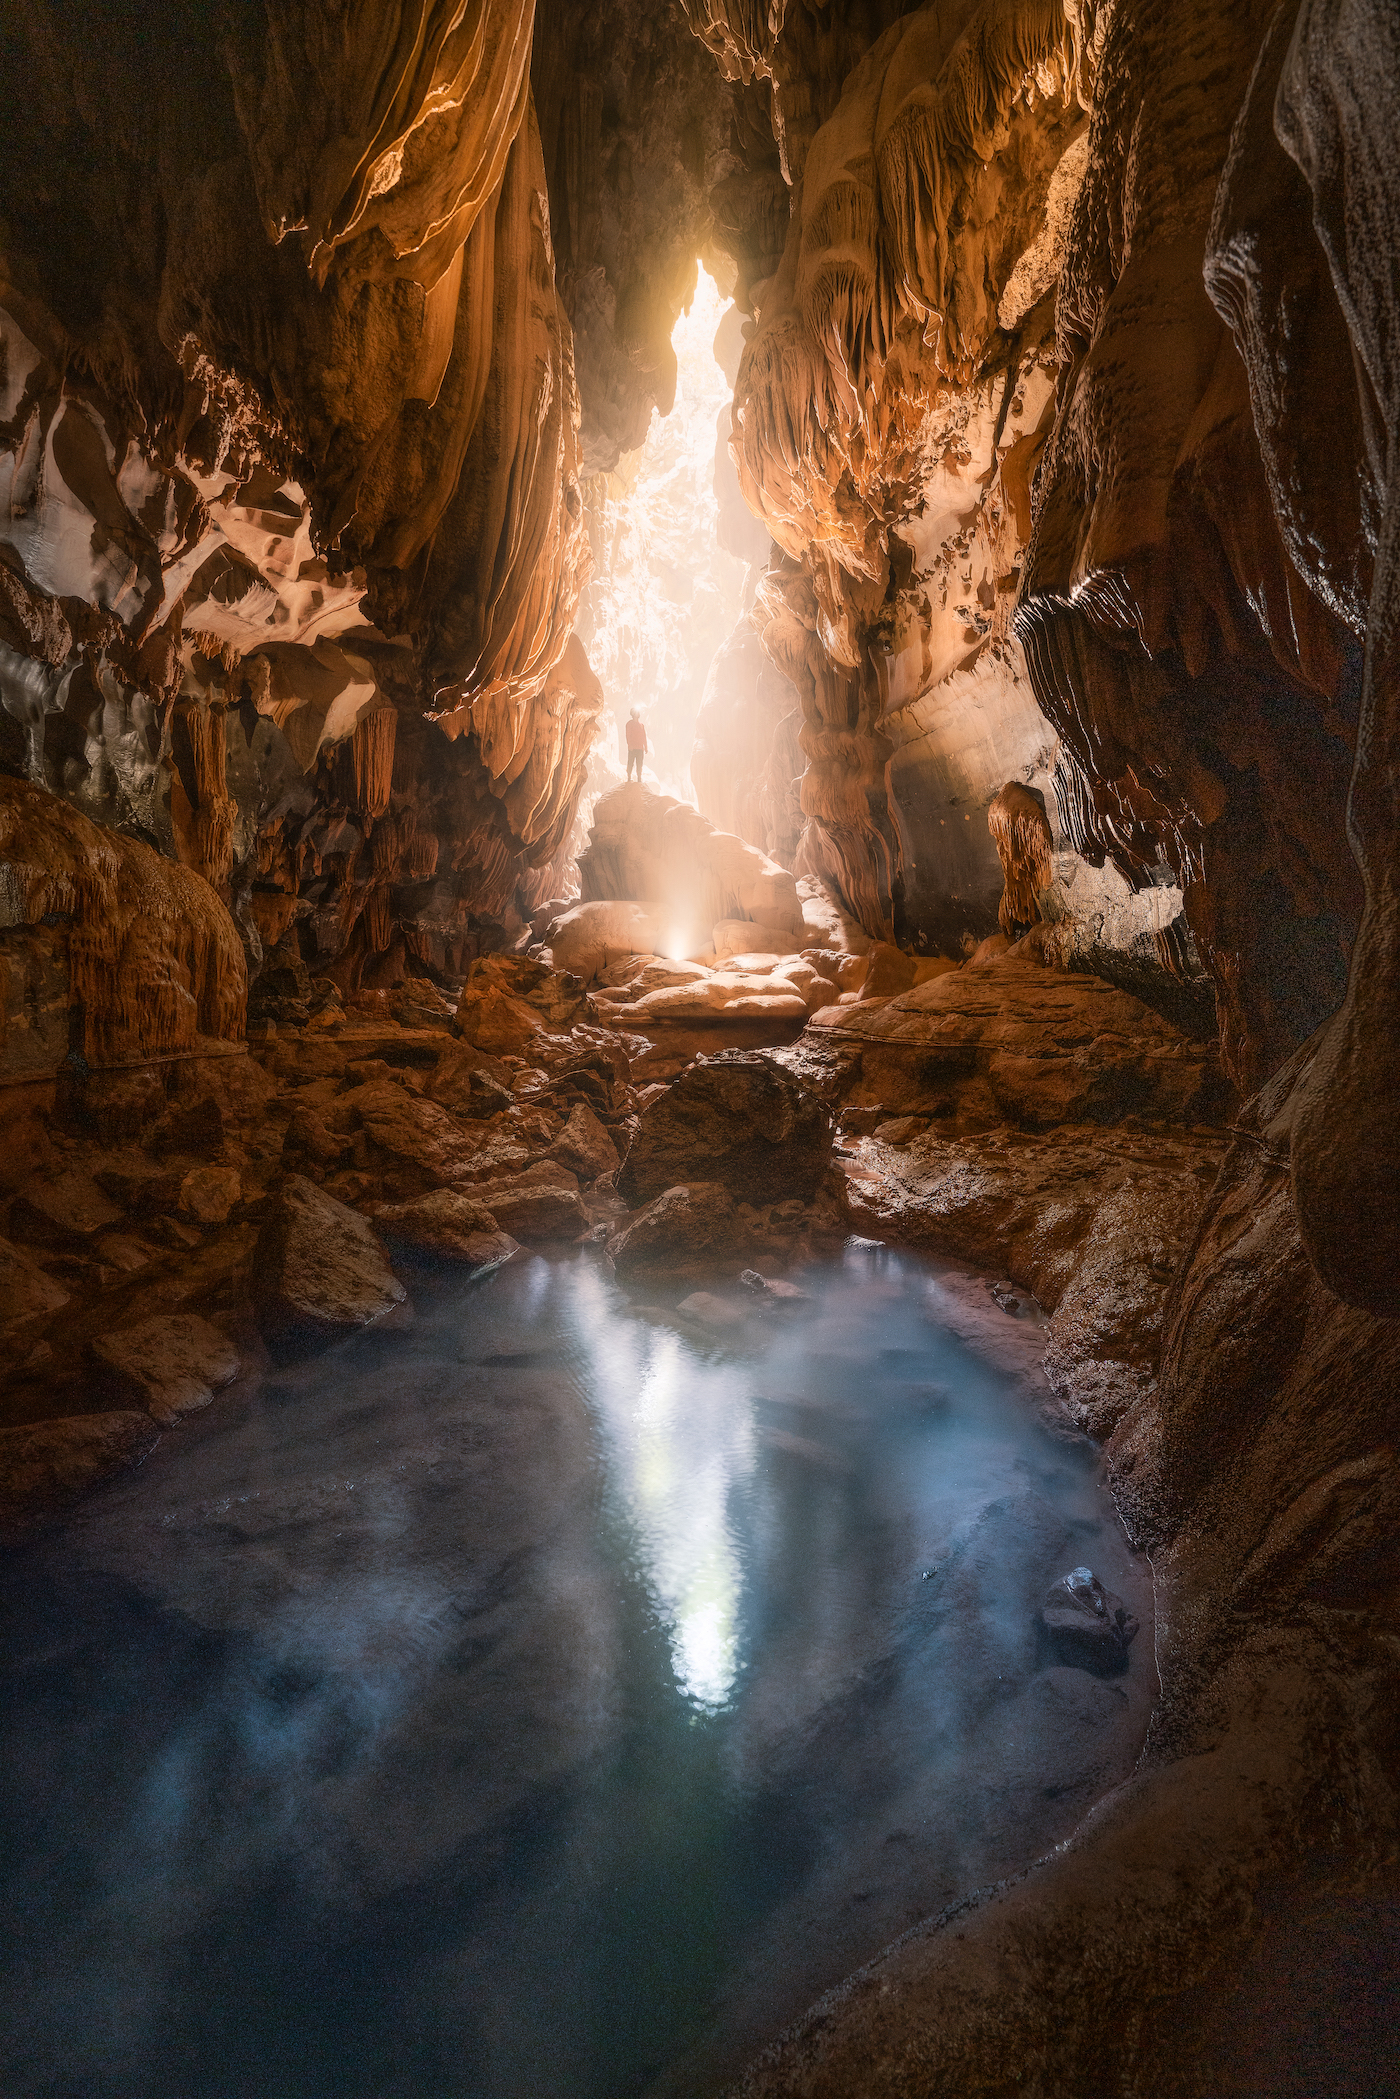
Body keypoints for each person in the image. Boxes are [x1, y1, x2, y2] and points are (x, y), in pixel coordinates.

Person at [625, 707, 647, 782]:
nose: (638, 714)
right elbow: (628, 735)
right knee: (630, 762)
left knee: (639, 764)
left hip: (640, 748)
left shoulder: (641, 725)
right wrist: (629, 745)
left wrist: (645, 747)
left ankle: (639, 778)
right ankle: (629, 777)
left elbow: (644, 736)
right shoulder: (629, 724)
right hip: (633, 748)